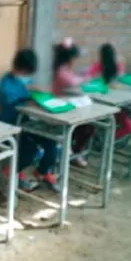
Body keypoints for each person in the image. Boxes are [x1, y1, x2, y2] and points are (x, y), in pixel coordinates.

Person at [0, 49, 59, 191]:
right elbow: (11, 99)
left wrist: (39, 92)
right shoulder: (6, 82)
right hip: (11, 126)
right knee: (29, 151)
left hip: (28, 123)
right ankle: (12, 171)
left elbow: (32, 91)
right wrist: (29, 95)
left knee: (51, 143)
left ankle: (42, 171)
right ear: (18, 67)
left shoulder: (25, 81)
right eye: (25, 72)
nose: (27, 76)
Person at [52, 38, 93, 167]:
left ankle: (75, 152)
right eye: (75, 58)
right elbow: (72, 82)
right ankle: (69, 152)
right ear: (69, 58)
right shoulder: (61, 71)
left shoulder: (66, 69)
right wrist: (85, 78)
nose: (76, 60)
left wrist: (82, 77)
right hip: (60, 110)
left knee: (88, 127)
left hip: (68, 107)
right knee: (85, 128)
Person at [85, 43, 131, 140]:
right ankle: (108, 140)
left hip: (103, 102)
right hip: (110, 102)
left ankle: (106, 140)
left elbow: (88, 78)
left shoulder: (101, 64)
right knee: (127, 124)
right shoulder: (112, 64)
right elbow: (120, 80)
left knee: (124, 122)